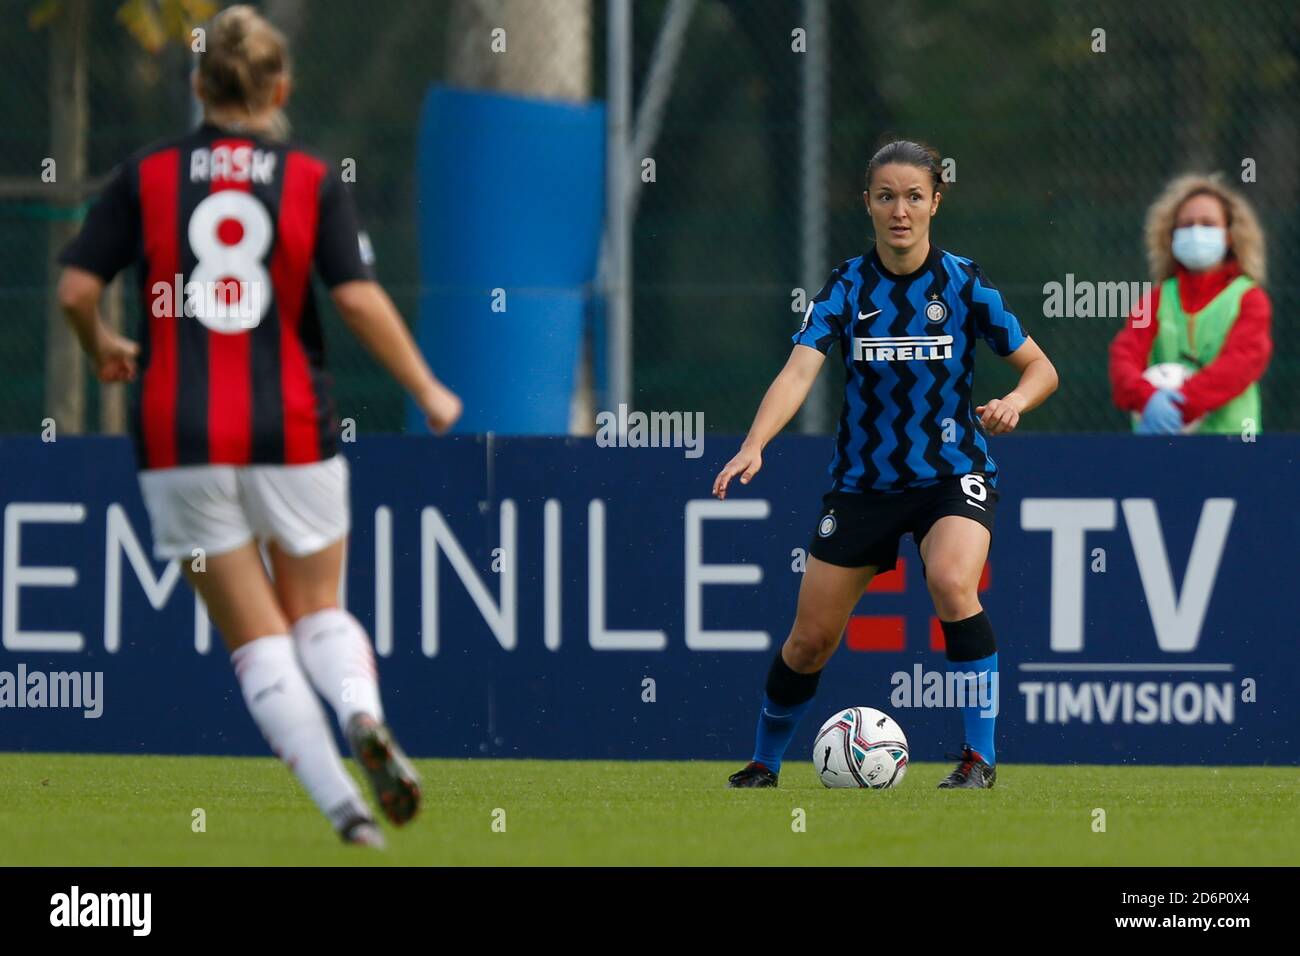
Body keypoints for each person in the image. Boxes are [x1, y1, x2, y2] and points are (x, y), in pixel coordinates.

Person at [56, 5, 461, 846]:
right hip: (293, 428)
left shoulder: (148, 175)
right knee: (317, 610)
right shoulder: (310, 178)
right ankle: (361, 715)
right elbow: (354, 297)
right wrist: (426, 387)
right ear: (281, 86)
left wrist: (101, 346)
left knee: (255, 640)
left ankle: (346, 811)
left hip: (178, 436)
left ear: (197, 85)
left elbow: (74, 290)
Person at [714, 140, 1058, 789]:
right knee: (810, 639)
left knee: (954, 583)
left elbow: (1042, 368)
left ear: (935, 201)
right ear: (867, 203)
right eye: (886, 196)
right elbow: (798, 373)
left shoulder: (964, 282)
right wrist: (755, 442)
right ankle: (764, 762)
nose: (900, 210)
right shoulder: (847, 285)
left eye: (913, 196)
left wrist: (1015, 401)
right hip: (864, 484)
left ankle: (978, 760)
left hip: (952, 472)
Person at [1110, 174, 1272, 434]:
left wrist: (1178, 405)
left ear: (1229, 235)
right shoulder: (1154, 300)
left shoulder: (1250, 299)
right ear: (1171, 237)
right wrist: (1147, 399)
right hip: (1161, 442)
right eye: (1186, 225)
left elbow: (1241, 364)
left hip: (1232, 448)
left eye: (1208, 224)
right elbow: (1125, 358)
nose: (1196, 232)